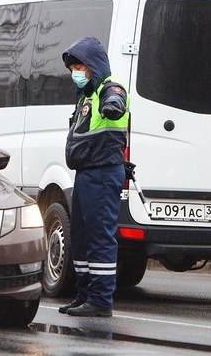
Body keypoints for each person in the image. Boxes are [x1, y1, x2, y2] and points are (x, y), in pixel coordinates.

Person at [58, 36, 130, 317]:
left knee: (100, 236)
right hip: (86, 174)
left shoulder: (109, 87)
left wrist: (111, 104)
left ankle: (100, 301)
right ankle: (85, 295)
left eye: (79, 66)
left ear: (93, 66)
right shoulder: (86, 96)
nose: (76, 72)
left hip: (102, 173)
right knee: (82, 237)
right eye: (73, 68)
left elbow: (116, 100)